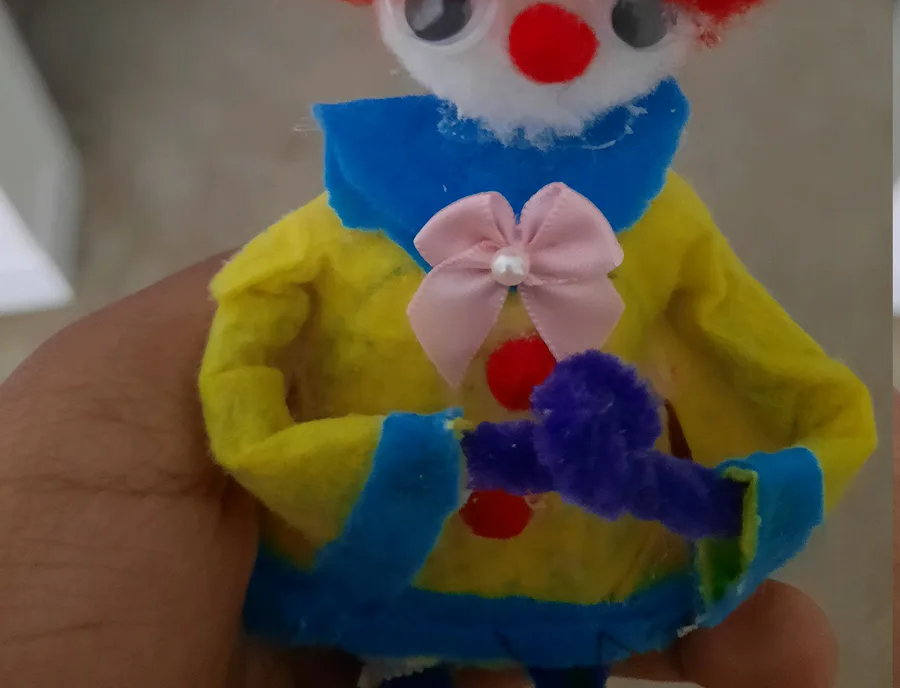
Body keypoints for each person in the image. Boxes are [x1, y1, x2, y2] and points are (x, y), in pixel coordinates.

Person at [0, 260, 845, 687]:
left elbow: (774, 366)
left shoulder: (662, 233)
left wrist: (792, 466)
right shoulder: (334, 243)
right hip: (340, 591)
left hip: (591, 586)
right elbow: (244, 388)